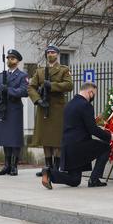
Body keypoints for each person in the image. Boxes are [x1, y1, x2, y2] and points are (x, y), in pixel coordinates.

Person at [41, 82, 113, 189]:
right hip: (80, 145)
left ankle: (50, 173)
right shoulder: (86, 105)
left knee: (75, 180)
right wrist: (110, 136)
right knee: (105, 148)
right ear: (90, 92)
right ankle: (94, 179)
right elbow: (92, 129)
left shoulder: (69, 104)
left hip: (68, 146)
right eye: (94, 94)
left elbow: (78, 124)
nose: (93, 96)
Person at [29, 45, 73, 176]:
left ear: (57, 54)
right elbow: (31, 87)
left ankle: (57, 167)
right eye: (48, 52)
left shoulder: (63, 70)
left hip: (57, 108)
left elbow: (69, 85)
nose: (50, 54)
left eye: (53, 52)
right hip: (43, 107)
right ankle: (48, 167)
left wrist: (51, 85)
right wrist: (38, 100)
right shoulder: (40, 71)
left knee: (57, 140)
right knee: (46, 139)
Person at [0, 49, 29, 176]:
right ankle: (6, 165)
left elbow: (24, 91)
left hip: (14, 109)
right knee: (5, 138)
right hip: (2, 108)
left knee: (15, 138)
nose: (9, 60)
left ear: (17, 61)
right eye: (8, 58)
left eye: (12, 58)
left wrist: (9, 90)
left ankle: (14, 166)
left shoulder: (22, 76)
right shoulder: (1, 76)